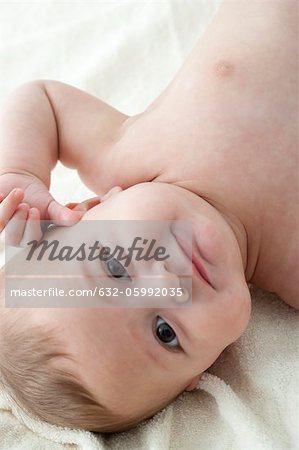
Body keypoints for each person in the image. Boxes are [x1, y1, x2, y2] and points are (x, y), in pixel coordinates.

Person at [0, 0, 298, 433]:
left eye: (117, 267)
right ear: (201, 373)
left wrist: (18, 173)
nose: (168, 282)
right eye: (164, 332)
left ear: (91, 209)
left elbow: (42, 100)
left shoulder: (130, 156)